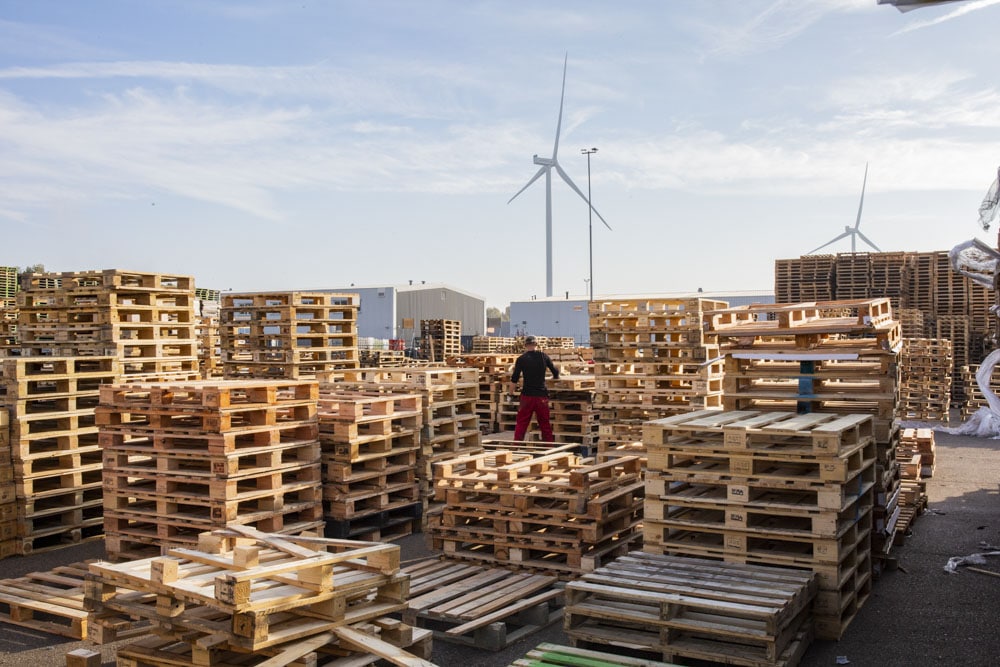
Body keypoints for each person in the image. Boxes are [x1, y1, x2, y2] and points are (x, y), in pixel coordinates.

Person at [509, 335, 560, 442]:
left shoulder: (521, 359)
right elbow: (555, 371)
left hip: (527, 396)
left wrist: (510, 393)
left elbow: (515, 378)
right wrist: (555, 377)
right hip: (541, 396)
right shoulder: (544, 357)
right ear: (536, 344)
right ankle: (549, 447)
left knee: (522, 423)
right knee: (544, 423)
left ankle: (516, 446)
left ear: (525, 345)